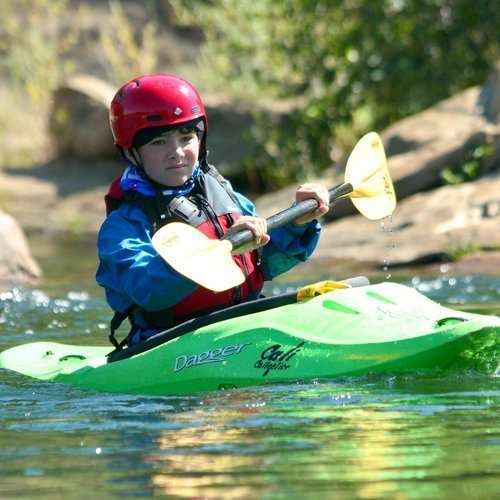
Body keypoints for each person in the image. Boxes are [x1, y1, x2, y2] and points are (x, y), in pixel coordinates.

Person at [97, 73, 330, 348]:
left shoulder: (220, 191)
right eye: (158, 143)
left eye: (186, 137)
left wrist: (299, 222)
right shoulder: (124, 225)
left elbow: (265, 263)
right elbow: (148, 289)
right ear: (131, 151)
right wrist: (221, 248)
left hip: (243, 323)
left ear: (201, 139)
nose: (177, 152)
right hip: (171, 343)